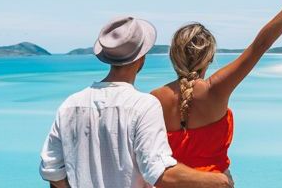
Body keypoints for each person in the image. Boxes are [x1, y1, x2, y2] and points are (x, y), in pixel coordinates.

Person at [39, 17, 233, 188]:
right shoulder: (144, 105)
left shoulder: (70, 105)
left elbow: (51, 171)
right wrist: (218, 181)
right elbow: (159, 174)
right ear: (142, 57)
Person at [150, 0, 282, 181]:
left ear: (173, 56)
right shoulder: (215, 89)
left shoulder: (154, 99)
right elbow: (260, 45)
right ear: (210, 57)